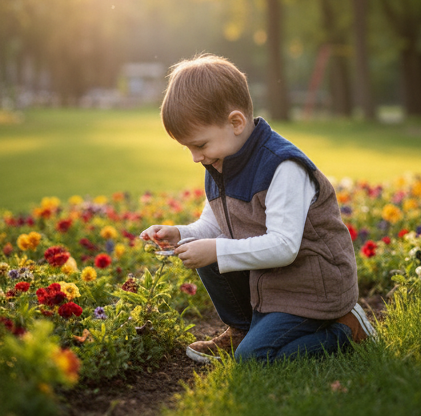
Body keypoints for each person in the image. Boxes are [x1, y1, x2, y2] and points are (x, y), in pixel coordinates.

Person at [139, 54, 374, 363]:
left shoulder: (281, 166)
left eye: (200, 145)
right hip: (274, 281)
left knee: (254, 359)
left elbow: (285, 247)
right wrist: (179, 233)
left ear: (236, 123)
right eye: (189, 149)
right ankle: (242, 331)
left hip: (313, 288)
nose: (195, 158)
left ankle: (346, 329)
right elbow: (213, 226)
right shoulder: (221, 162)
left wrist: (217, 250)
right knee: (205, 251)